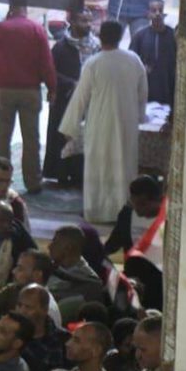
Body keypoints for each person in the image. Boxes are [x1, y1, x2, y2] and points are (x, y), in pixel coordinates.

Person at [59, 20, 148, 222]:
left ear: (100, 37)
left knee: (98, 168)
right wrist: (139, 116)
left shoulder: (93, 63)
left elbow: (80, 98)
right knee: (123, 166)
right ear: (120, 36)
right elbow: (143, 92)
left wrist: (70, 127)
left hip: (100, 124)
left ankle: (97, 211)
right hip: (126, 124)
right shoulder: (133, 60)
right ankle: (123, 212)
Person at [0, 0, 56, 193]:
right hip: (30, 91)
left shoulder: (1, 28)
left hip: (4, 90)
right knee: (31, 138)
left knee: (2, 138)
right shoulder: (37, 29)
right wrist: (52, 88)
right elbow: (46, 62)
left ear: (10, 7)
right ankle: (33, 182)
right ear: (26, 8)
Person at [45, 8, 101, 184]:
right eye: (84, 21)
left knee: (84, 137)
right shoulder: (61, 47)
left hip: (89, 101)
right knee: (62, 136)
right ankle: (60, 174)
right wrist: (72, 84)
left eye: (90, 21)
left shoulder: (96, 46)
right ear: (73, 22)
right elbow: (51, 72)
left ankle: (80, 175)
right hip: (65, 99)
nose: (88, 25)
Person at [128, 0, 175, 105]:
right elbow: (131, 59)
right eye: (154, 10)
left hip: (168, 83)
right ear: (148, 14)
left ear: (164, 13)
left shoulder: (173, 35)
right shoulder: (140, 35)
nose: (157, 14)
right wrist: (141, 68)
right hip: (147, 82)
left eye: (160, 10)